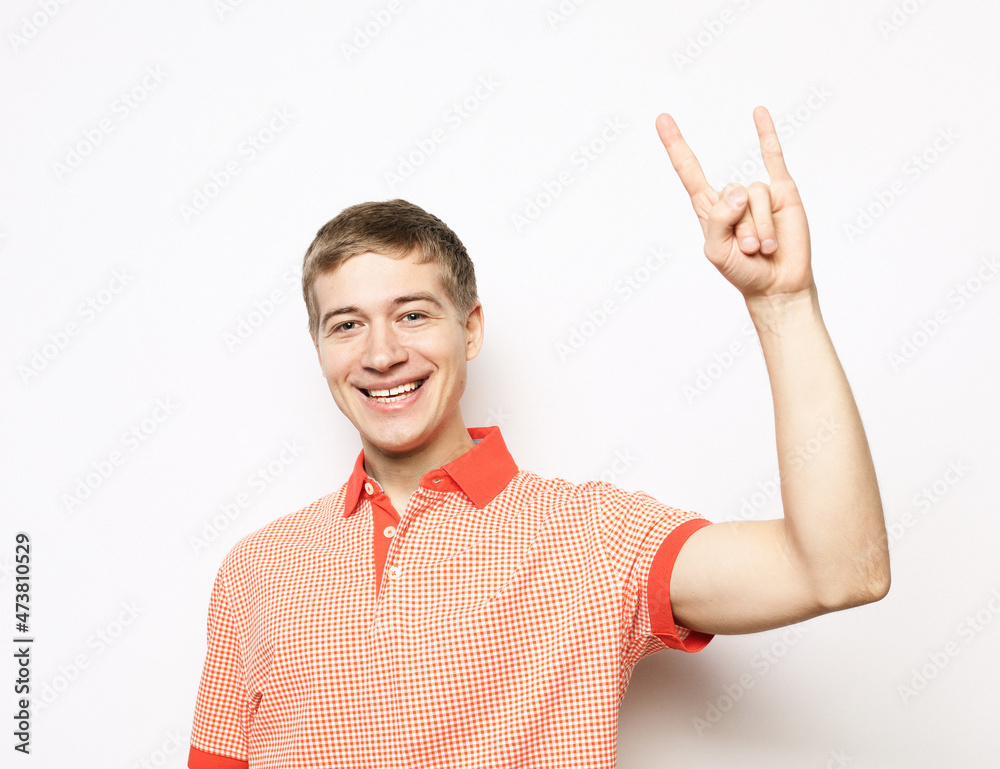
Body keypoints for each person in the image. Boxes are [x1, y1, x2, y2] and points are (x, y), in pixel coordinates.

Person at [187, 107, 890, 768]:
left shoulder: (593, 535)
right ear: (319, 348)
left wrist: (784, 305)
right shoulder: (255, 568)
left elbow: (838, 570)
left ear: (471, 329)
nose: (379, 353)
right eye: (346, 324)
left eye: (412, 314)